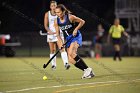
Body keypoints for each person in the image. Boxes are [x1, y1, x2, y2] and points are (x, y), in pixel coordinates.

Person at [54, 4, 95, 79]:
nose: (57, 14)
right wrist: (61, 44)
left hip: (75, 37)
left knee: (71, 53)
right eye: (56, 12)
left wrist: (76, 29)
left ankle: (88, 70)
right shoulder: (56, 21)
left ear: (63, 11)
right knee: (70, 59)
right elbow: (58, 35)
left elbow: (82, 21)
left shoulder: (70, 17)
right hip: (68, 39)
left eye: (59, 12)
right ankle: (87, 70)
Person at [44, 1, 70, 70]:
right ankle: (53, 65)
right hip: (51, 35)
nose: (54, 7)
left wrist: (60, 30)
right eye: (52, 6)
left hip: (59, 33)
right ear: (50, 7)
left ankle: (66, 63)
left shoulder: (59, 13)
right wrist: (50, 31)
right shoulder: (47, 14)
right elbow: (46, 26)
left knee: (62, 48)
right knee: (52, 50)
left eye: (55, 5)